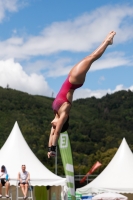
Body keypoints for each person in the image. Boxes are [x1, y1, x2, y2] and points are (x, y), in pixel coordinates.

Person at [48, 31, 116, 158]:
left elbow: (52, 133)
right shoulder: (64, 112)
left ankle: (107, 41)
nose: (52, 126)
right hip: (74, 80)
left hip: (70, 77)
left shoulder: (56, 112)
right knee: (91, 57)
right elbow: (56, 132)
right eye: (55, 126)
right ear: (61, 123)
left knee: (90, 57)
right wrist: (53, 149)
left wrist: (48, 148)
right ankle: (107, 41)